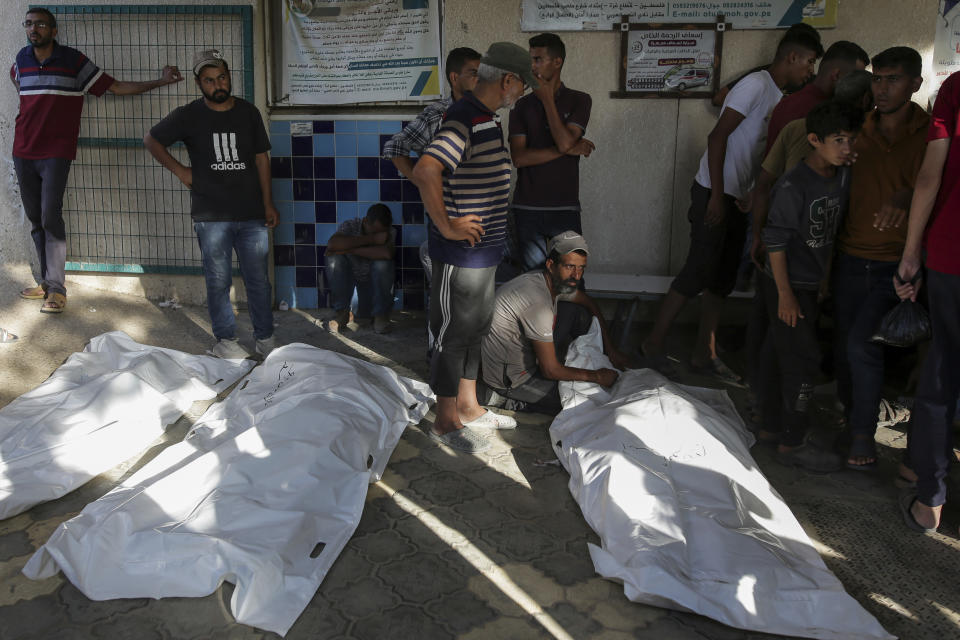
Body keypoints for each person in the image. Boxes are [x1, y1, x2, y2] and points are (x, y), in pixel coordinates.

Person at [641, 30, 822, 379]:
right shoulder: (756, 85)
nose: (810, 72)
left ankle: (703, 353)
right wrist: (716, 196)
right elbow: (718, 136)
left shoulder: (776, 93)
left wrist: (751, 191)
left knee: (722, 278)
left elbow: (752, 151)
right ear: (793, 57)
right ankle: (651, 343)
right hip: (714, 191)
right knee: (697, 271)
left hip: (736, 196)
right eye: (810, 62)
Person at [12, 7, 183, 313]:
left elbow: (115, 87)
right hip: (23, 151)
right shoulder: (20, 61)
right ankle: (47, 282)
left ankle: (57, 290)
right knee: (36, 219)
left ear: (54, 30)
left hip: (56, 152)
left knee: (51, 215)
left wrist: (159, 82)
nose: (33, 29)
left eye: (40, 24)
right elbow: (22, 90)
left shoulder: (73, 61)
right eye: (28, 24)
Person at [410, 42, 537, 453]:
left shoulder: (486, 119)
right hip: (459, 257)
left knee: (473, 330)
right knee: (452, 335)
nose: (522, 94)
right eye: (523, 86)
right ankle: (446, 421)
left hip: (483, 254)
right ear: (507, 80)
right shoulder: (463, 118)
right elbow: (426, 169)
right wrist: (446, 226)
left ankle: (469, 407)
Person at [144, 50, 278, 359]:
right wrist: (181, 171)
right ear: (198, 83)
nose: (216, 84)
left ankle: (266, 341)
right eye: (208, 80)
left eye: (221, 77)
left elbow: (261, 159)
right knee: (218, 281)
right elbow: (151, 140)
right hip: (210, 213)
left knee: (258, 281)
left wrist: (268, 203)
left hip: (251, 211)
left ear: (229, 77)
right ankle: (227, 342)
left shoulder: (248, 112)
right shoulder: (189, 115)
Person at [832, 47, 927, 471]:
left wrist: (909, 196)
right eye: (878, 79)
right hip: (851, 257)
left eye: (893, 79)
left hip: (897, 264)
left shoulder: (931, 135)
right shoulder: (858, 131)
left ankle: (860, 433)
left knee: (862, 345)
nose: (882, 88)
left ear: (916, 85)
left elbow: (942, 192)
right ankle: (853, 419)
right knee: (846, 348)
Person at [757, 101, 862, 472]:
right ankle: (793, 441)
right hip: (787, 284)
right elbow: (776, 242)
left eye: (851, 140)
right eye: (838, 140)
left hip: (810, 282)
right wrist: (785, 294)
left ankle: (771, 427)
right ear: (815, 140)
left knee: (780, 353)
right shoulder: (794, 185)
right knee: (803, 359)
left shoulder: (842, 175)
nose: (847, 148)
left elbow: (830, 236)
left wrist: (823, 278)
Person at [891, 68, 960, 534]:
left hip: (954, 255)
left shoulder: (956, 89)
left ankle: (930, 501)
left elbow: (929, 177)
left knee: (943, 374)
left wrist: (911, 252)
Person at [479, 231, 627, 414]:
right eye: (570, 266)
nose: (576, 275)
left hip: (529, 351)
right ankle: (500, 398)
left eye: (581, 268)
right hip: (513, 378)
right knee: (582, 402)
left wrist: (610, 349)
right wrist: (596, 376)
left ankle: (567, 359)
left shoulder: (552, 280)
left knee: (577, 312)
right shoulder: (537, 302)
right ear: (551, 265)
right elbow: (550, 370)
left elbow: (587, 301)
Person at [508, 33, 594, 273]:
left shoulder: (580, 100)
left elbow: (565, 141)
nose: (532, 66)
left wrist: (547, 101)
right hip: (527, 208)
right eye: (531, 60)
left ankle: (575, 313)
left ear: (557, 62)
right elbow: (520, 159)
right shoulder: (520, 105)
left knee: (572, 278)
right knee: (532, 278)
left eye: (538, 59)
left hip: (565, 207)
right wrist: (569, 148)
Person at [383, 47, 481, 179]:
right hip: (446, 198)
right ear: (454, 78)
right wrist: (421, 183)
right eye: (474, 73)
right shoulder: (437, 113)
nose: (479, 79)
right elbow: (395, 146)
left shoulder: (483, 112)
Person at [764, 40, 868, 153]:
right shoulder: (817, 113)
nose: (860, 86)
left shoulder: (789, 102)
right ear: (836, 75)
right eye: (856, 78)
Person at [711, 22, 821, 107]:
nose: (812, 70)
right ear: (793, 56)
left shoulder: (813, 83)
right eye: (810, 61)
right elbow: (719, 98)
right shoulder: (760, 77)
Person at [325, 203, 396, 333]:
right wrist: (373, 239)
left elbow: (386, 253)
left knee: (383, 263)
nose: (378, 235)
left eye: (379, 233)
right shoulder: (350, 226)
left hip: (374, 291)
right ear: (365, 221)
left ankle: (380, 316)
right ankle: (342, 313)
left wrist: (348, 250)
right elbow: (332, 245)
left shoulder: (389, 231)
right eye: (374, 232)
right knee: (333, 259)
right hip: (352, 290)